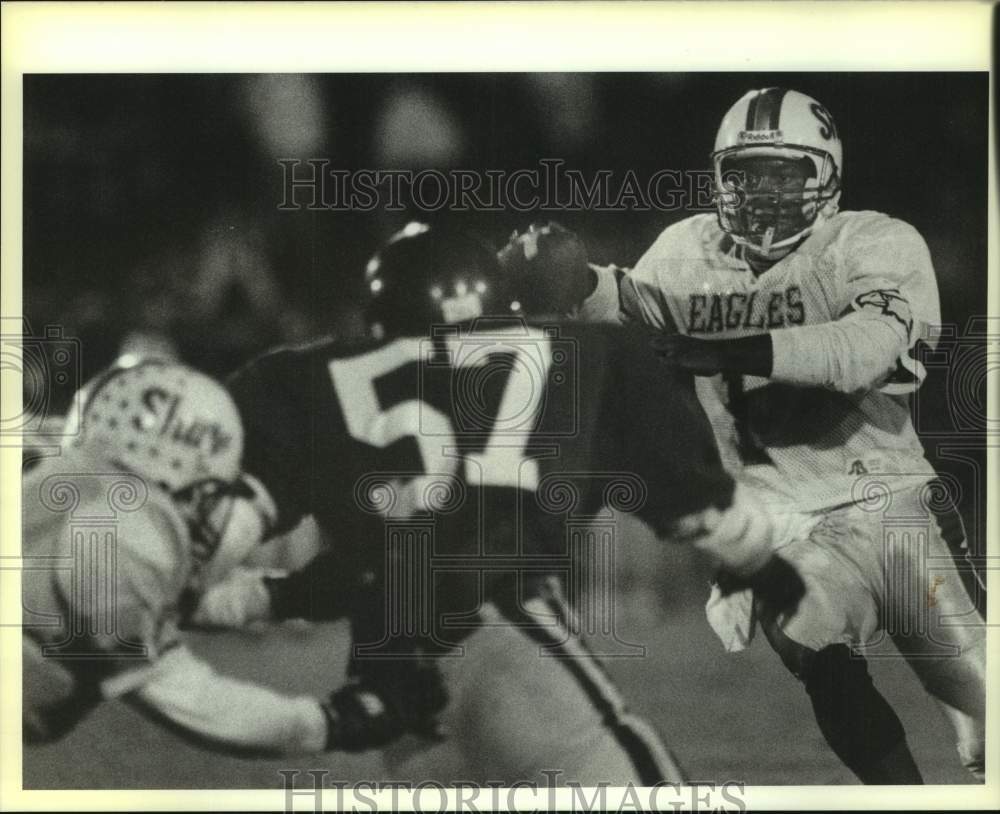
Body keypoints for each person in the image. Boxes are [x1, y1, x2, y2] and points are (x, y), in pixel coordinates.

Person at [192, 221, 801, 785]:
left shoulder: (312, 378)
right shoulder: (575, 354)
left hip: (392, 684)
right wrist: (766, 567)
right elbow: (696, 507)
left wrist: (234, 597)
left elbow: (385, 567)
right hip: (505, 638)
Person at [508, 89, 986, 783]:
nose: (761, 191)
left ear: (824, 172)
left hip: (893, 505)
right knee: (812, 647)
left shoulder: (873, 241)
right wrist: (573, 279)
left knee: (986, 721)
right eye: (744, 173)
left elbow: (865, 350)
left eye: (782, 173)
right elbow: (631, 306)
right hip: (783, 524)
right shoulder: (688, 249)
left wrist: (729, 350)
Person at [21, 357, 433, 755]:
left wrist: (280, 596)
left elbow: (130, 603)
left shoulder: (69, 478)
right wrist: (336, 721)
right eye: (214, 490)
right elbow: (187, 696)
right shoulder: (127, 529)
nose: (212, 509)